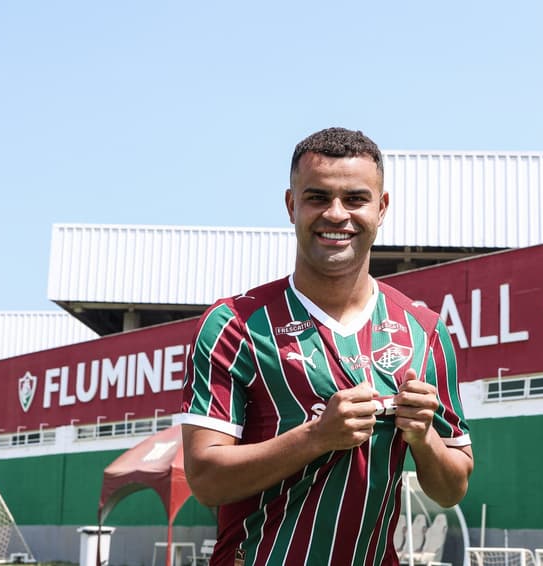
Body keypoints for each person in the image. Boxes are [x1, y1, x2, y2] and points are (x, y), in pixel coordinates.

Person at [180, 127, 473, 566]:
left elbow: (452, 489)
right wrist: (317, 436)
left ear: (382, 207)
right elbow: (204, 479)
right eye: (317, 197)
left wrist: (423, 436)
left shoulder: (424, 330)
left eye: (355, 199)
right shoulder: (233, 325)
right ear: (291, 205)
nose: (337, 214)